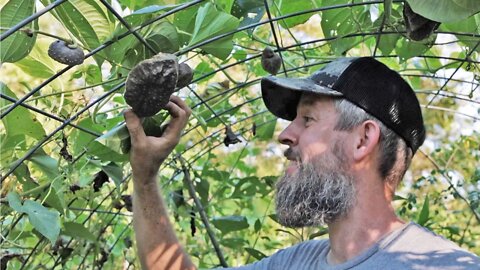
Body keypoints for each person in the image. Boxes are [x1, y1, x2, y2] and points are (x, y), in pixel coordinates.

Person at [124, 57, 480, 270]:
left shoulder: (442, 265)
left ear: (362, 140)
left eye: (307, 119)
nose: (285, 135)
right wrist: (145, 176)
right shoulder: (296, 262)